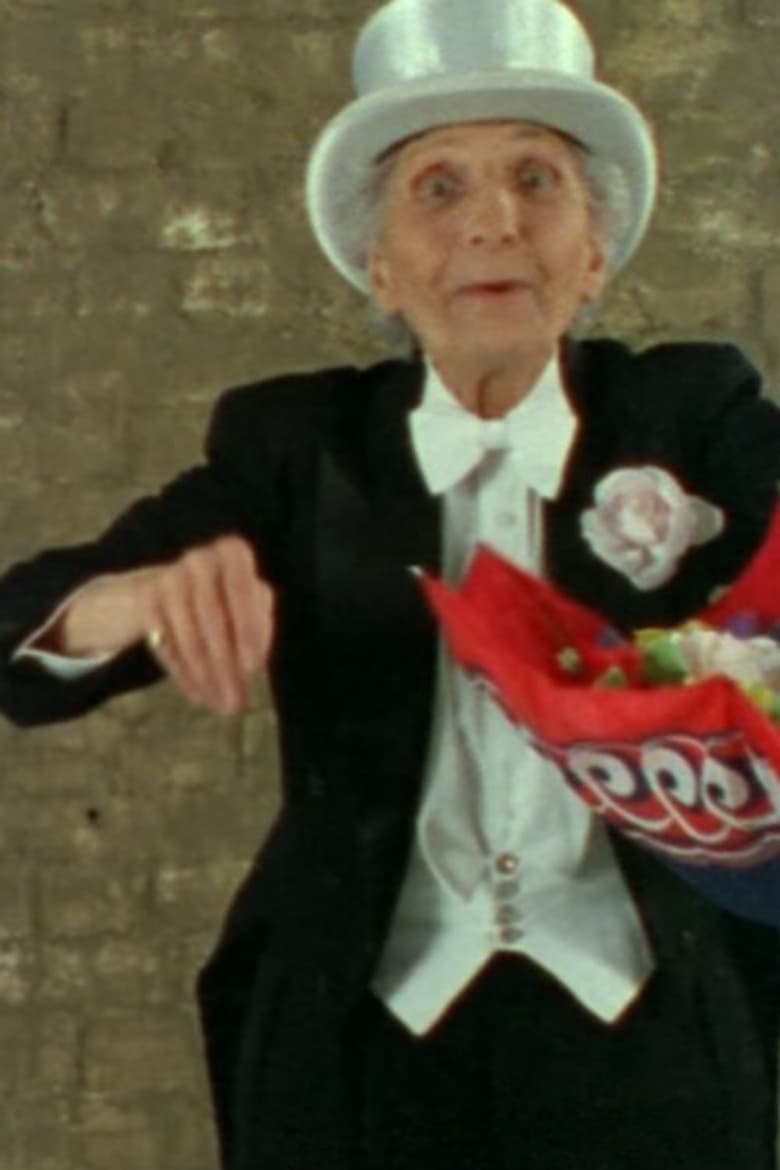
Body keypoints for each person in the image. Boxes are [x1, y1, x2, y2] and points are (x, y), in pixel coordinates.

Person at [1, 0, 780, 1167]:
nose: (494, 222)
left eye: (536, 179)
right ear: (377, 265)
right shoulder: (294, 446)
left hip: (658, 1039)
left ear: (595, 254)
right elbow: (19, 633)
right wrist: (137, 600)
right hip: (353, 1042)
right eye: (439, 187)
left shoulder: (694, 412)